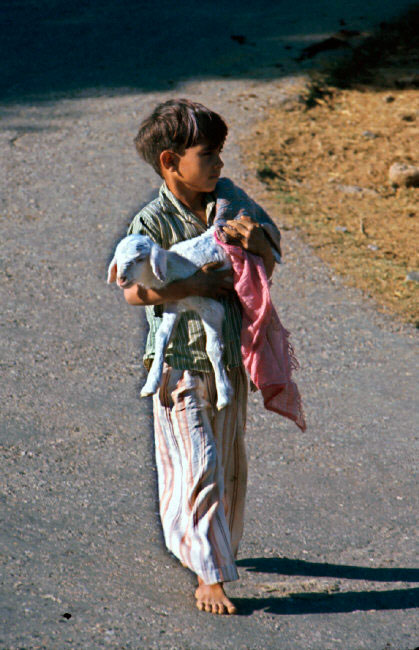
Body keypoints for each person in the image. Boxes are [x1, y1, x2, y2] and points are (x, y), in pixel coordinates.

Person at [123, 99, 281, 615]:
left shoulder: (229, 200)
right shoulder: (152, 221)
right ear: (170, 162)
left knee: (230, 462)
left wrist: (257, 240)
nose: (219, 165)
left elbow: (271, 245)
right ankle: (208, 574)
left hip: (229, 360)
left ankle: (214, 547)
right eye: (208, 155)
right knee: (200, 464)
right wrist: (192, 284)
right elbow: (132, 291)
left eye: (221, 153)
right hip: (178, 367)